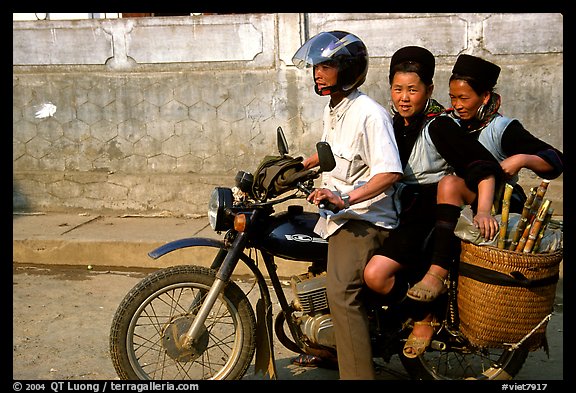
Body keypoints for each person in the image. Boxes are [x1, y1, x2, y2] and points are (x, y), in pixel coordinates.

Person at [362, 46, 504, 359]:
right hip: (396, 206)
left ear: (429, 90)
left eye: (412, 90)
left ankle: (426, 316)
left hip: (426, 210)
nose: (404, 98)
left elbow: (481, 167)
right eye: (397, 89)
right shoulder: (394, 123)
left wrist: (482, 210)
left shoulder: (438, 125)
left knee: (376, 274)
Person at [406, 54, 564, 303]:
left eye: (464, 98)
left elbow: (555, 161)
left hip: (498, 203)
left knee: (450, 183)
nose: (457, 105)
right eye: (453, 98)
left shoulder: (503, 129)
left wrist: (522, 159)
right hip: (454, 203)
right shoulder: (449, 123)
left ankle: (437, 274)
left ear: (485, 97)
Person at [291, 31, 403, 379]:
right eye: (316, 66)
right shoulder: (336, 108)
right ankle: (326, 345)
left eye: (326, 66)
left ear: (347, 69)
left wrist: (346, 198)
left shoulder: (370, 114)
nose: (317, 73)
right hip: (337, 214)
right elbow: (330, 152)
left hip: (366, 220)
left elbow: (389, 172)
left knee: (341, 294)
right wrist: (298, 166)